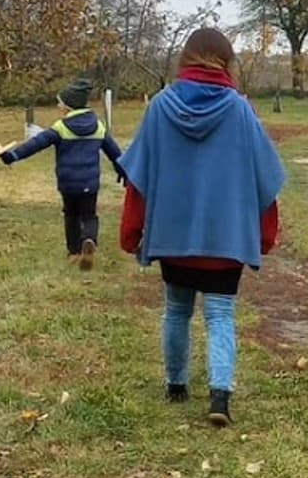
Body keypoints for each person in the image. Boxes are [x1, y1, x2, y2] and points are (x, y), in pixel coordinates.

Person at [117, 29, 285, 427]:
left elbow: (138, 178)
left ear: (184, 60)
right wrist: (264, 235)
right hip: (225, 239)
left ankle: (175, 385)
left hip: (173, 238)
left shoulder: (159, 107)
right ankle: (220, 396)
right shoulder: (240, 111)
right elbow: (264, 178)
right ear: (227, 62)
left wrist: (131, 232)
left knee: (176, 310)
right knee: (220, 314)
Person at [0, 78, 127, 266]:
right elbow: (115, 153)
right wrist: (123, 171)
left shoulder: (61, 127)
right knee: (89, 215)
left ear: (68, 106)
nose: (58, 105)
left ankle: (74, 252)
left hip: (68, 183)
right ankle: (89, 239)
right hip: (89, 183)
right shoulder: (98, 126)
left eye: (60, 102)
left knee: (71, 215)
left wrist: (13, 155)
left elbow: (36, 144)